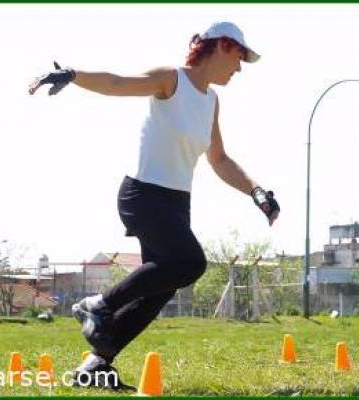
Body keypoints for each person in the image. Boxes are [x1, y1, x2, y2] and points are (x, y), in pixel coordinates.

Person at [28, 21, 280, 390]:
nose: (239, 68)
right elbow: (117, 83)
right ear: (223, 46)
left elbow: (220, 160)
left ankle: (96, 364)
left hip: (177, 204)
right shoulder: (171, 80)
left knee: (158, 289)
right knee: (190, 263)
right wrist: (72, 75)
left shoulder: (211, 102)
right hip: (143, 195)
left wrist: (256, 190)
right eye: (239, 57)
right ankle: (95, 304)